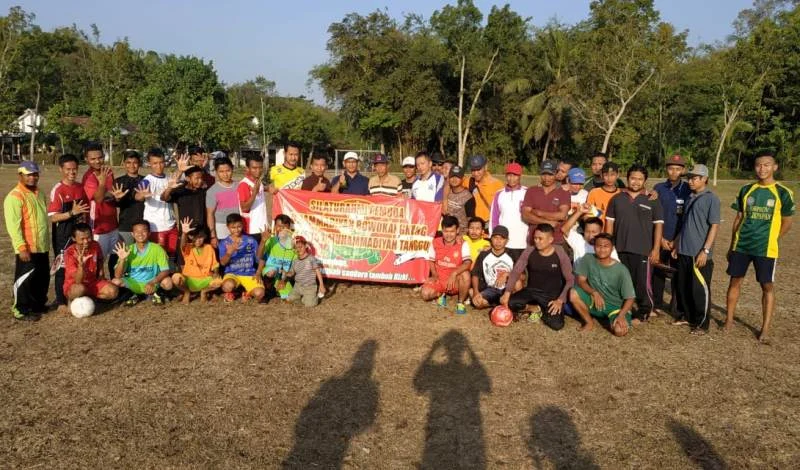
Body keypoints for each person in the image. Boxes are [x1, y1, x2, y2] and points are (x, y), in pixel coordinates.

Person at [725, 150, 795, 343]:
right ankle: (729, 320)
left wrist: (773, 238)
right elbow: (738, 217)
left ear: (774, 167)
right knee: (734, 282)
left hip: (766, 249)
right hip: (742, 246)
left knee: (767, 286)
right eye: (758, 165)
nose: (762, 169)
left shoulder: (783, 192)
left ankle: (765, 328)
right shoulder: (746, 189)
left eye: (766, 165)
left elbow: (787, 221)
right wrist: (732, 244)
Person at [606, 164, 664, 321]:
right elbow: (609, 224)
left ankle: (645, 311)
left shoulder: (652, 200)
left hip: (642, 250)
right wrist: (608, 247)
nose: (636, 182)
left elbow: (658, 225)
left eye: (640, 179)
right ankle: (623, 308)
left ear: (645, 181)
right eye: (633, 178)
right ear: (627, 178)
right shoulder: (617, 199)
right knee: (622, 280)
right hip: (620, 248)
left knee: (641, 283)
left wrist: (656, 249)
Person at [670, 164, 720, 334]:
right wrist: (677, 243)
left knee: (699, 289)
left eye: (695, 178)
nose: (690, 181)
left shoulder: (711, 199)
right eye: (689, 178)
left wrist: (705, 251)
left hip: (699, 253)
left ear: (704, 179)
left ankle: (701, 323)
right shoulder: (690, 197)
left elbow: (714, 226)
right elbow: (685, 224)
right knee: (683, 286)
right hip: (684, 250)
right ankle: (686, 316)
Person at [500, 224, 573, 330]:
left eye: (540, 239)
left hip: (551, 296)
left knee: (556, 325)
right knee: (510, 303)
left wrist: (560, 300)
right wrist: (507, 293)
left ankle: (541, 309)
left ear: (550, 239)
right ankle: (533, 308)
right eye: (535, 238)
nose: (537, 241)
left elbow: (570, 280)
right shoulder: (529, 251)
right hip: (532, 291)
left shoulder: (560, 252)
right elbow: (516, 272)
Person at [4, 161, 50, 321]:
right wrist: (21, 247)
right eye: (29, 174)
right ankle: (21, 309)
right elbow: (13, 226)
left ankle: (37, 305)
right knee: (25, 279)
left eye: (35, 174)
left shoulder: (40, 193)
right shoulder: (15, 196)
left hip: (42, 246)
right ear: (20, 175)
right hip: (27, 247)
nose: (33, 177)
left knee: (42, 277)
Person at [569, 233, 636, 336]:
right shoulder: (588, 259)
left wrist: (621, 315)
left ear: (612, 248)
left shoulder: (621, 270)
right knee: (573, 293)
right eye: (599, 246)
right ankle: (589, 322)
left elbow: (630, 297)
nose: (602, 249)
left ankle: (615, 319)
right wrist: (594, 292)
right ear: (594, 247)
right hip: (595, 301)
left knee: (619, 331)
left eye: (606, 246)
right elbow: (581, 281)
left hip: (615, 307)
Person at [48, 154, 89, 313]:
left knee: (80, 263)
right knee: (63, 267)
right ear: (61, 169)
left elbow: (84, 210)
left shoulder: (80, 187)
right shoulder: (58, 189)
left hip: (79, 234)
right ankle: (60, 301)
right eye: (68, 169)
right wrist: (72, 213)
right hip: (63, 235)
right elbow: (53, 217)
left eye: (74, 169)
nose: (72, 172)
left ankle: (76, 294)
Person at [652, 154, 691, 314]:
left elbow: (688, 217)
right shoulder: (658, 188)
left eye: (677, 169)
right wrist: (660, 238)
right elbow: (653, 215)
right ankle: (656, 303)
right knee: (658, 271)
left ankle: (676, 306)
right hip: (660, 237)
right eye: (670, 168)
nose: (674, 172)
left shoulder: (688, 189)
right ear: (666, 169)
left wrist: (677, 240)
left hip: (679, 239)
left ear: (682, 170)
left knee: (677, 273)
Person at [111, 219, 174, 305]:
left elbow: (165, 270)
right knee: (115, 281)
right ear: (132, 234)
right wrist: (122, 259)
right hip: (134, 283)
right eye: (137, 231)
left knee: (168, 282)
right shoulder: (128, 249)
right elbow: (117, 275)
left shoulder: (157, 249)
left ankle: (157, 294)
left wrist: (152, 282)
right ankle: (133, 295)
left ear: (149, 233)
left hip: (152, 283)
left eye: (144, 231)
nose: (140, 234)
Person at [420, 215, 472, 315]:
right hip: (440, 279)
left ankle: (460, 303)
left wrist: (454, 274)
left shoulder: (463, 244)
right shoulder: (435, 242)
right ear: (442, 230)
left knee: (466, 274)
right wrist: (434, 275)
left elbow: (467, 263)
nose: (449, 235)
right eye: (446, 231)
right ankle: (441, 294)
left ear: (457, 231)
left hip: (455, 281)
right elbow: (431, 261)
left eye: (452, 231)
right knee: (425, 294)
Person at [82, 141, 119, 272]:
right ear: (86, 159)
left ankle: (115, 287)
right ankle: (96, 289)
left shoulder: (108, 171)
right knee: (98, 261)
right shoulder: (88, 177)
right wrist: (102, 183)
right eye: (93, 159)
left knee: (116, 257)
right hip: (98, 226)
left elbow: (110, 193)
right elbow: (98, 199)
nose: (97, 161)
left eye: (100, 157)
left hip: (113, 224)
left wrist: (115, 196)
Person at [137, 148, 178, 262]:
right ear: (149, 164)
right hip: (156, 227)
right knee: (158, 259)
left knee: (172, 258)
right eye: (155, 163)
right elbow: (138, 196)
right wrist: (141, 195)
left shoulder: (168, 179)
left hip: (171, 225)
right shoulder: (148, 180)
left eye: (161, 162)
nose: (159, 166)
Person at [63, 223, 119, 303]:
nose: (86, 241)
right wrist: (81, 266)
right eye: (82, 239)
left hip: (92, 282)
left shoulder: (95, 245)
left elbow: (100, 259)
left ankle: (91, 297)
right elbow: (78, 281)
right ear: (74, 238)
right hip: (75, 284)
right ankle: (72, 300)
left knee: (113, 291)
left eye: (89, 237)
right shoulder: (70, 253)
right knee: (80, 289)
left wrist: (101, 272)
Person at [171, 218, 222, 304]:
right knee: (176, 278)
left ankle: (204, 292)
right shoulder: (188, 247)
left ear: (204, 236)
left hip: (205, 280)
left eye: (200, 237)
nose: (198, 240)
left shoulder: (209, 248)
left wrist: (216, 272)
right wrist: (184, 233)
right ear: (190, 237)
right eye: (195, 237)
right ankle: (187, 292)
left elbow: (215, 264)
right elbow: (183, 244)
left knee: (219, 281)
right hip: (189, 280)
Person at [521, 159, 570, 246]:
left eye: (550, 174)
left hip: (556, 241)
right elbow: (525, 215)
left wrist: (539, 213)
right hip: (534, 241)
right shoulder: (532, 190)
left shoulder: (564, 192)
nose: (546, 178)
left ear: (556, 173)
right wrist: (547, 222)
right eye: (544, 174)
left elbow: (562, 215)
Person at [219, 213, 265, 303]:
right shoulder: (224, 243)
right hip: (232, 274)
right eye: (233, 227)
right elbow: (223, 263)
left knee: (260, 294)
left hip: (249, 273)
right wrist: (229, 253)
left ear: (242, 225)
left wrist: (263, 242)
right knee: (227, 286)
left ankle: (247, 293)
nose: (237, 230)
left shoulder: (251, 240)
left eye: (239, 226)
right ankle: (234, 292)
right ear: (227, 227)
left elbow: (260, 258)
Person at [470, 226, 516, 310]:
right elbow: (475, 274)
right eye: (495, 238)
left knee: (518, 283)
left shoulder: (513, 254)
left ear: (507, 241)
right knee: (477, 302)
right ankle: (497, 304)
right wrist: (476, 292)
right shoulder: (484, 254)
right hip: (491, 289)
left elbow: (522, 276)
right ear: (491, 239)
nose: (498, 241)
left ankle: (509, 302)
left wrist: (507, 274)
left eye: (502, 238)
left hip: (508, 290)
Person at [489, 162, 528, 257]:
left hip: (522, 241)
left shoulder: (527, 192)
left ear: (520, 176)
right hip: (503, 242)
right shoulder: (499, 194)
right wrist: (493, 238)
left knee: (521, 271)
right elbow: (494, 218)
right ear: (506, 176)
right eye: (509, 175)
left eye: (515, 175)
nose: (512, 178)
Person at [257, 214, 297, 299]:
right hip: (271, 272)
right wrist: (263, 242)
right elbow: (259, 256)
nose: (281, 229)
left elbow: (294, 266)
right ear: (275, 227)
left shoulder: (294, 244)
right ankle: (269, 292)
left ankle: (276, 289)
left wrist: (284, 280)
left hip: (284, 276)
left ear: (289, 228)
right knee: (271, 272)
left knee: (288, 296)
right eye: (279, 226)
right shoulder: (271, 240)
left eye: (284, 227)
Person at [114, 150, 145, 245]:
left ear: (139, 164)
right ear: (124, 164)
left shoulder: (146, 180)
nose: (132, 165)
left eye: (135, 162)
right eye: (128, 163)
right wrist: (118, 198)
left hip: (144, 224)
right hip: (125, 225)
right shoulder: (118, 181)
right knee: (125, 255)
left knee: (142, 255)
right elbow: (116, 204)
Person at [205, 156, 239, 245]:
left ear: (232, 169)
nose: (225, 174)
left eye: (228, 170)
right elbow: (210, 214)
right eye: (221, 171)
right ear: (216, 172)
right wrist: (213, 236)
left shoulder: (239, 186)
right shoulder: (212, 191)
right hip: (221, 229)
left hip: (238, 227)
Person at [285, 236, 326, 307]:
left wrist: (321, 285)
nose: (298, 249)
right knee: (289, 300)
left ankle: (311, 297)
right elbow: (292, 273)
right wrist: (286, 273)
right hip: (297, 286)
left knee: (310, 305)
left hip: (309, 287)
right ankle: (302, 297)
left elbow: (317, 271)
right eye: (296, 248)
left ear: (306, 246)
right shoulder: (295, 261)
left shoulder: (311, 259)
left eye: (300, 247)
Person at [237, 155, 269, 243]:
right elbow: (244, 208)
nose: (258, 171)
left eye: (260, 167)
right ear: (247, 168)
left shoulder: (258, 181)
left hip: (262, 227)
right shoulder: (244, 184)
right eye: (254, 168)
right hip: (251, 230)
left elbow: (261, 190)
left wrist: (268, 188)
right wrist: (254, 193)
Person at [464, 155, 504, 224]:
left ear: (485, 167)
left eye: (478, 169)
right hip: (474, 225)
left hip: (490, 223)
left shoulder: (497, 184)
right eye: (473, 170)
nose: (476, 173)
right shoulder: (468, 181)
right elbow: (452, 180)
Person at [585, 162, 622, 229]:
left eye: (612, 175)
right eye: (606, 175)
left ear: (618, 175)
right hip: (599, 232)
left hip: (617, 231)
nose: (609, 178)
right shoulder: (594, 192)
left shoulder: (622, 193)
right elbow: (588, 215)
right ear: (601, 175)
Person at [444, 165, 475, 234]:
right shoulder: (446, 192)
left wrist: (464, 236)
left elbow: (471, 221)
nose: (454, 179)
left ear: (463, 178)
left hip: (461, 235)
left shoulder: (468, 197)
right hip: (447, 233)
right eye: (452, 176)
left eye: (457, 177)